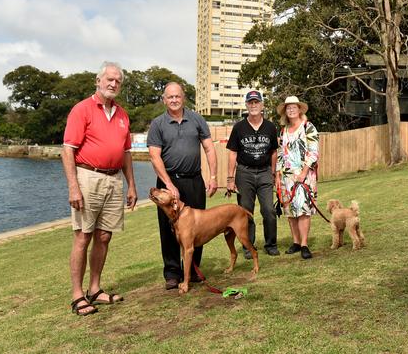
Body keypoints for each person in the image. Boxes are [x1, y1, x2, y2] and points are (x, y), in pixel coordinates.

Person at [62, 61, 138, 316]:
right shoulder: (82, 109)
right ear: (98, 81)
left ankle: (94, 288)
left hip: (114, 179)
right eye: (109, 79)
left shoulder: (122, 114)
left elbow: (126, 153)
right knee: (83, 236)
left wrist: (131, 185)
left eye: (118, 81)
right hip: (87, 177)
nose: (114, 84)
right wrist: (73, 187)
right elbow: (68, 150)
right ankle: (77, 294)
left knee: (104, 236)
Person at [147, 82, 218, 290]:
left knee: (198, 226)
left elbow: (209, 149)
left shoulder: (197, 119)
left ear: (183, 97)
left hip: (194, 181)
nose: (174, 100)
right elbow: (154, 156)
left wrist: (213, 176)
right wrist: (168, 184)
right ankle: (172, 273)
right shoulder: (158, 124)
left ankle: (194, 270)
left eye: (177, 96)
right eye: (170, 97)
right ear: (164, 100)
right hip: (168, 182)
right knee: (168, 229)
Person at [226, 90, 280, 259]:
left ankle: (271, 244)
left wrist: (273, 173)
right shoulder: (239, 127)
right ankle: (248, 246)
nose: (254, 105)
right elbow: (232, 153)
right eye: (251, 103)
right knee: (245, 211)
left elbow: (273, 152)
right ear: (247, 105)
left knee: (269, 210)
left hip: (264, 172)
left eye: (257, 102)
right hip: (244, 173)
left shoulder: (270, 127)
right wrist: (230, 179)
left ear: (262, 105)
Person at [275, 96, 320, 260]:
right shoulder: (283, 130)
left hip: (304, 175)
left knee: (302, 209)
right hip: (287, 176)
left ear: (299, 109)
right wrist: (278, 175)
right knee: (290, 210)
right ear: (285, 112)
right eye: (288, 108)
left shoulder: (308, 127)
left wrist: (303, 172)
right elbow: (280, 153)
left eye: (294, 107)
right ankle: (295, 242)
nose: (291, 110)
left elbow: (313, 152)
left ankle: (304, 244)